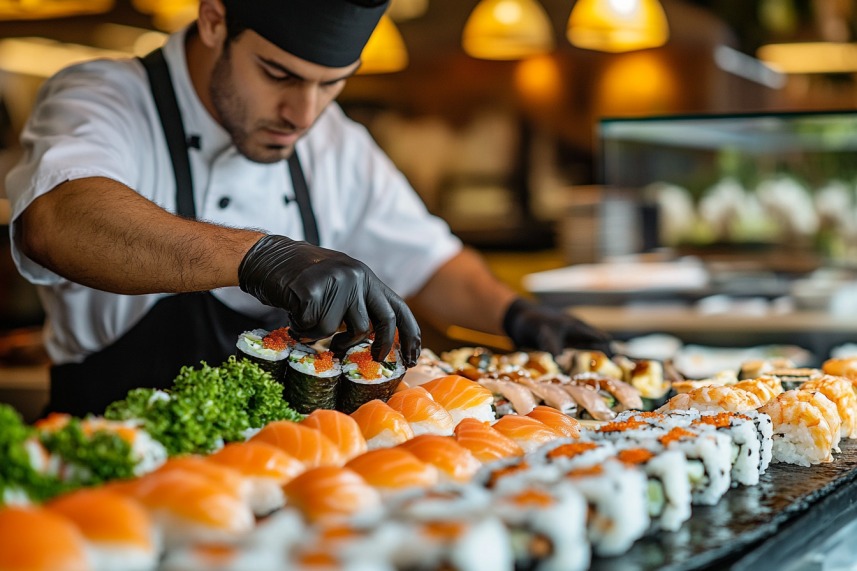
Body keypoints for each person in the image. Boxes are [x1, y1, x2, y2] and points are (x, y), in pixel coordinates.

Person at [5, 0, 611, 416]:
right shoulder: (106, 96)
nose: (304, 114)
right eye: (277, 74)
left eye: (332, 84)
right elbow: (57, 221)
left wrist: (522, 318)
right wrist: (261, 256)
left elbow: (429, 262)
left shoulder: (333, 139)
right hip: (116, 468)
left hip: (292, 478)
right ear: (215, 19)